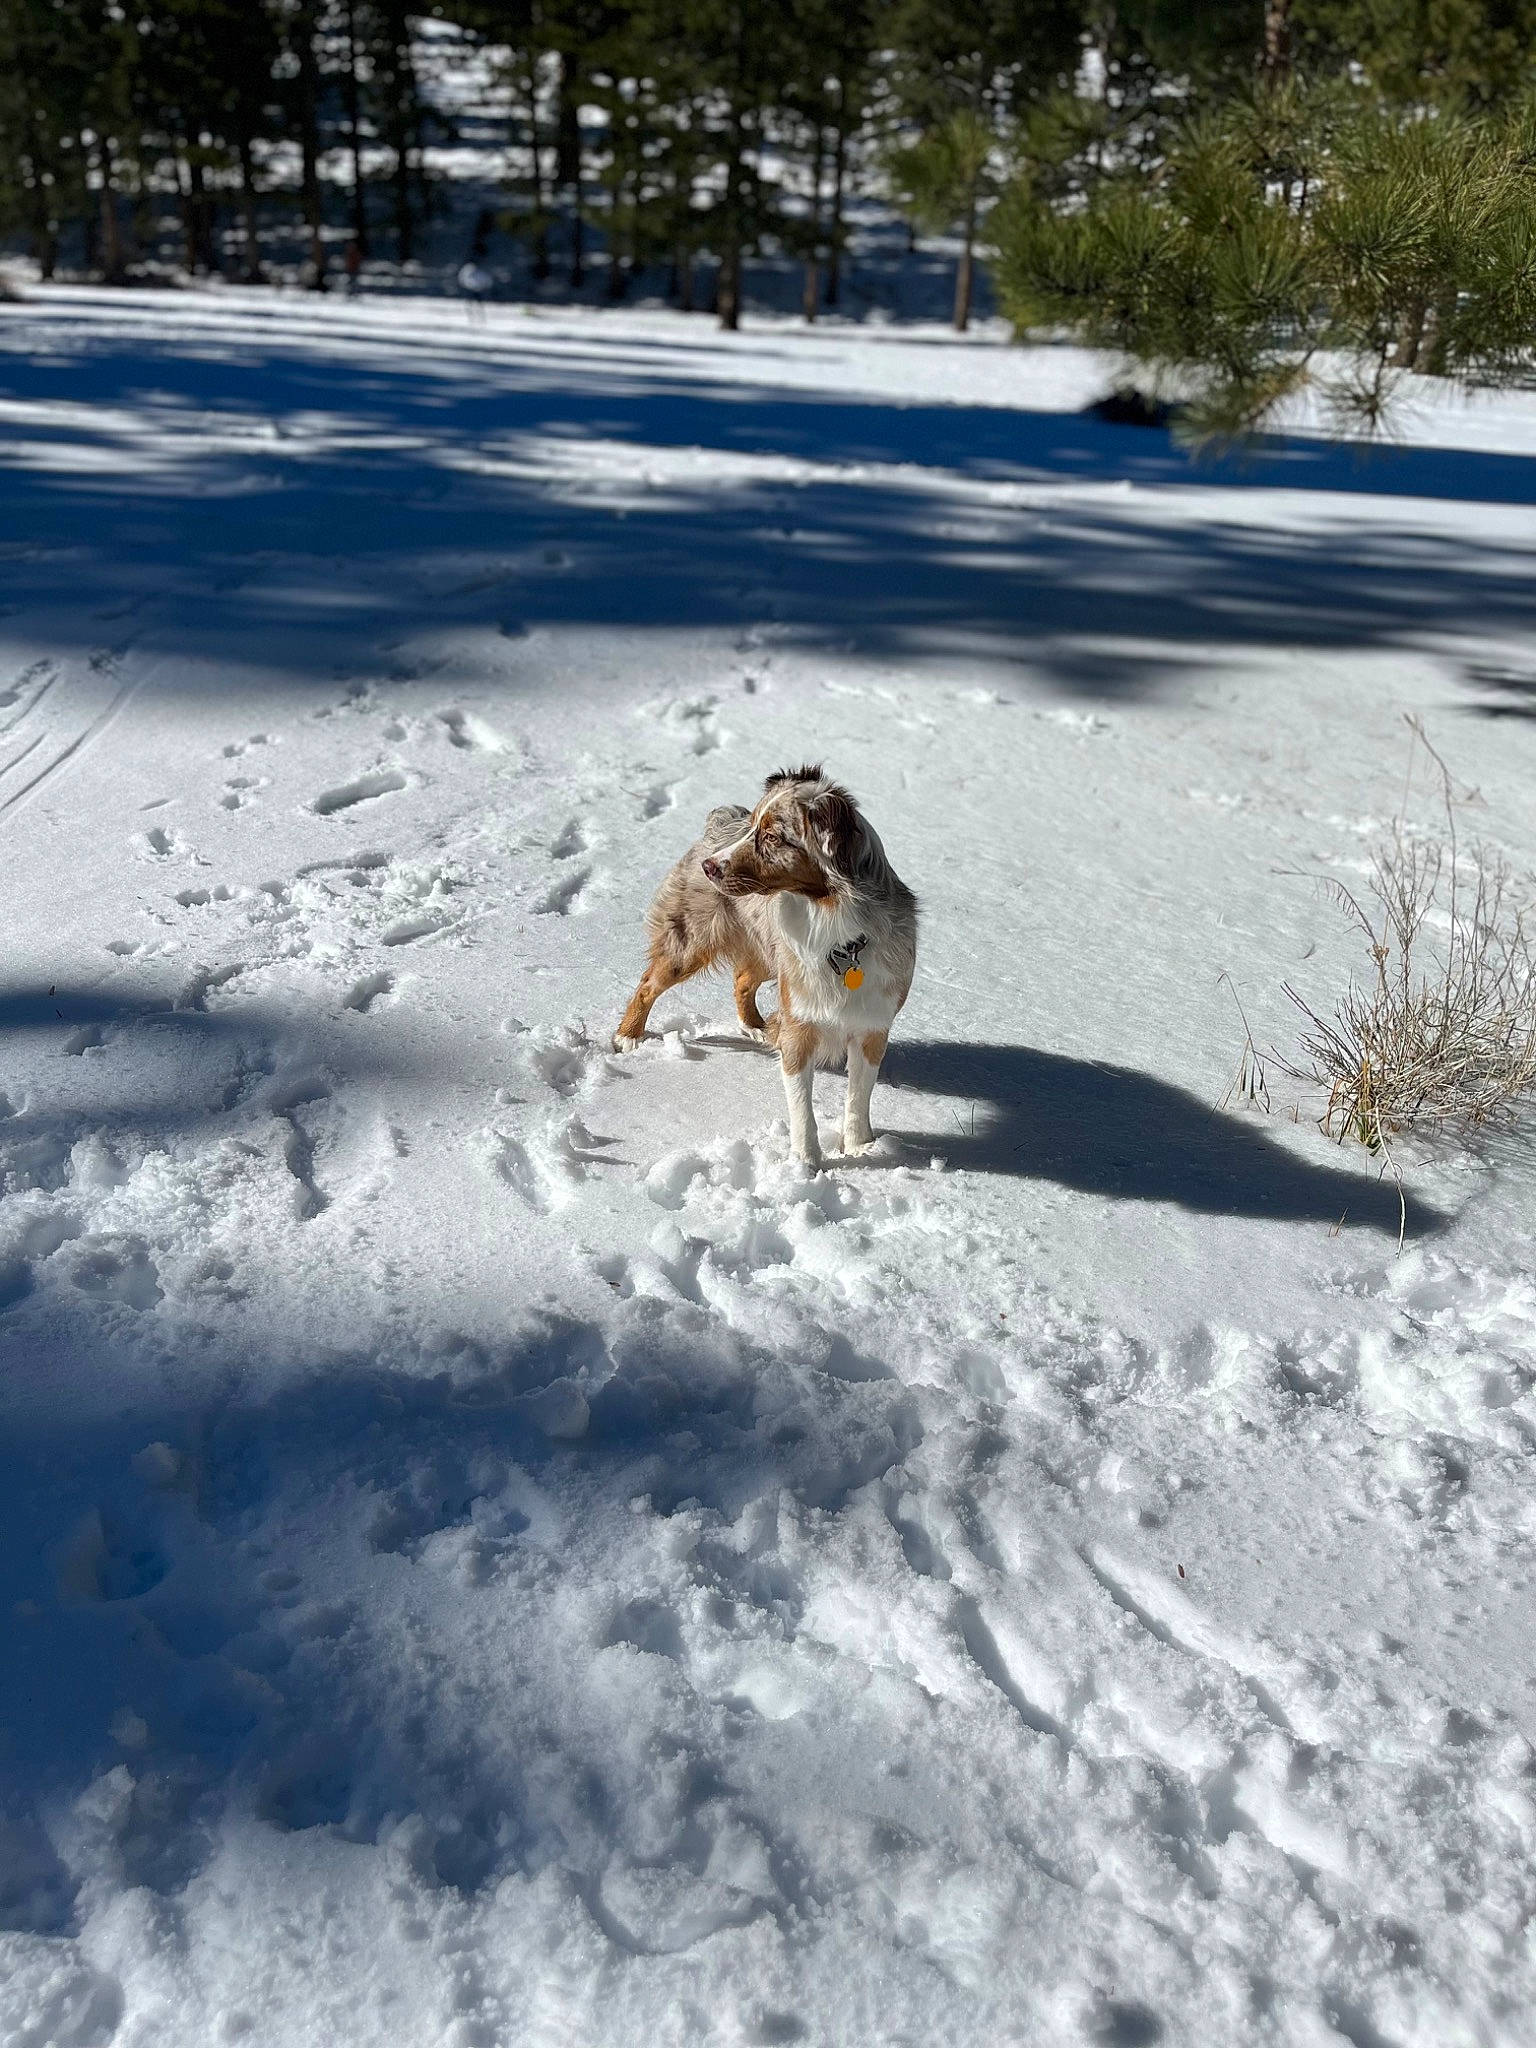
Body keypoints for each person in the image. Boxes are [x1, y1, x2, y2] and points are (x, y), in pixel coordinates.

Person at [457, 257, 493, 322]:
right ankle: (471, 317)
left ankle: (479, 317)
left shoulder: (477, 270)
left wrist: (483, 286)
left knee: (478, 304)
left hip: (476, 290)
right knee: (470, 304)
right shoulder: (468, 269)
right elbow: (463, 279)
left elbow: (485, 279)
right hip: (470, 290)